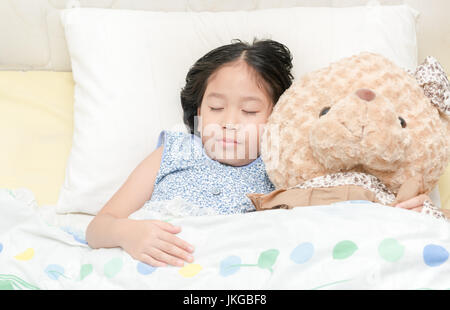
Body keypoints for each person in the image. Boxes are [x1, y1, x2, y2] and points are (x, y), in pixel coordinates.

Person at [85, 38, 435, 268]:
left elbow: (344, 207)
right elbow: (99, 227)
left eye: (250, 112)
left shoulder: (284, 166)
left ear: (279, 115)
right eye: (216, 107)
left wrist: (398, 211)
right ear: (198, 109)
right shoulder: (174, 152)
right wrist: (128, 234)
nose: (229, 123)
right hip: (154, 265)